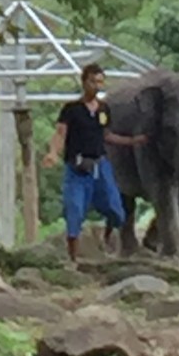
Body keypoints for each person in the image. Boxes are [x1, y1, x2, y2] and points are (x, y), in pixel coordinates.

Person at [44, 61, 127, 263]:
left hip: (100, 165)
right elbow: (60, 133)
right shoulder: (71, 109)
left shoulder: (104, 109)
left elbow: (106, 135)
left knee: (116, 210)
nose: (96, 87)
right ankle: (73, 259)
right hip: (77, 168)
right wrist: (53, 152)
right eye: (92, 82)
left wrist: (132, 141)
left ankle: (107, 235)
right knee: (75, 211)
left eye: (100, 83)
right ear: (84, 82)